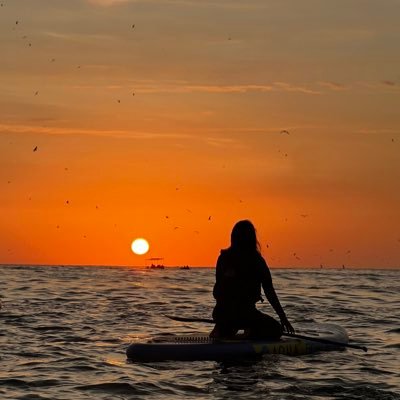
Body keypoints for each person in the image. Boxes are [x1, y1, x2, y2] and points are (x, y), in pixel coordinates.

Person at [210, 220, 294, 339]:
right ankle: (244, 332)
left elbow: (217, 291)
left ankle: (226, 329)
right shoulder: (257, 261)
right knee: (276, 329)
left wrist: (282, 317)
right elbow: (269, 291)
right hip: (242, 315)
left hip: (224, 314)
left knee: (232, 321)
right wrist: (283, 318)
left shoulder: (224, 258)